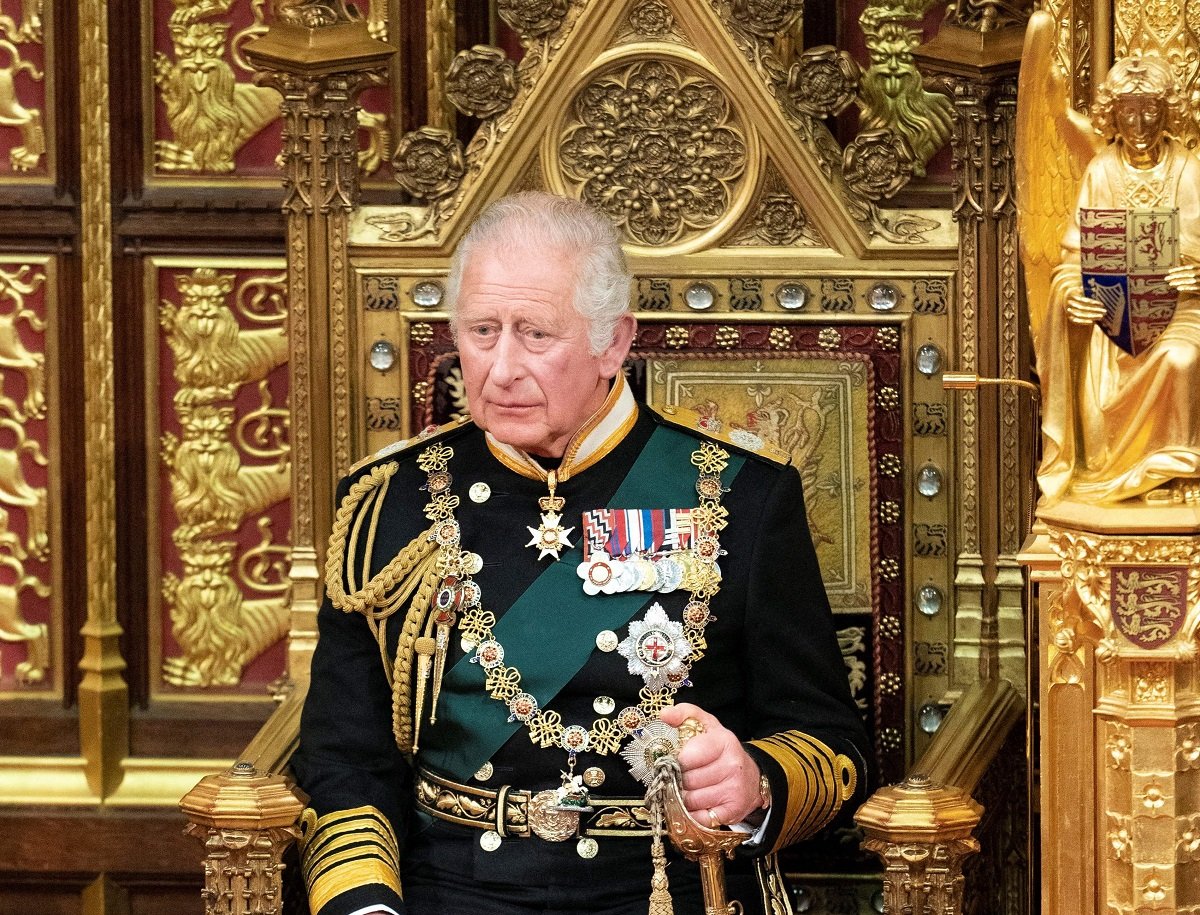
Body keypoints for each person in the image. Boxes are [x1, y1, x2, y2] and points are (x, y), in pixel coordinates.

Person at [291, 191, 869, 915]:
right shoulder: (389, 504)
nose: (500, 367)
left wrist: (754, 783)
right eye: (480, 331)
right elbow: (345, 751)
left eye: (535, 334)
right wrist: (366, 906)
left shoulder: (742, 498)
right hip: (450, 891)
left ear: (614, 342)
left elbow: (834, 744)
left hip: (665, 886)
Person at [1037, 54, 1200, 504]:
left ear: (1168, 112)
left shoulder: (1190, 169)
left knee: (1182, 358)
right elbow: (1073, 262)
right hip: (1117, 316)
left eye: (1150, 108)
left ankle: (1178, 470)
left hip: (1185, 311)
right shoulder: (1102, 171)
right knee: (1105, 371)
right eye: (1128, 110)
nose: (1140, 123)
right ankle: (1122, 471)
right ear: (1113, 114)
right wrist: (1074, 296)